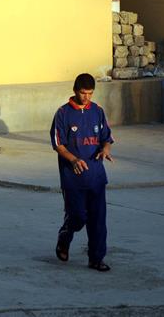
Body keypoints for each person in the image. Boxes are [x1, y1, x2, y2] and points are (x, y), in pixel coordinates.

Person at [50, 73, 114, 272]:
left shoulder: (98, 111)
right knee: (78, 217)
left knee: (98, 220)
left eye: (90, 93)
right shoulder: (63, 113)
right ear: (75, 91)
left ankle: (96, 258)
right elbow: (58, 144)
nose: (86, 97)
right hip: (73, 179)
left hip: (96, 176)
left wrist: (105, 150)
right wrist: (74, 160)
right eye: (83, 93)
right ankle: (65, 236)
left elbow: (107, 137)